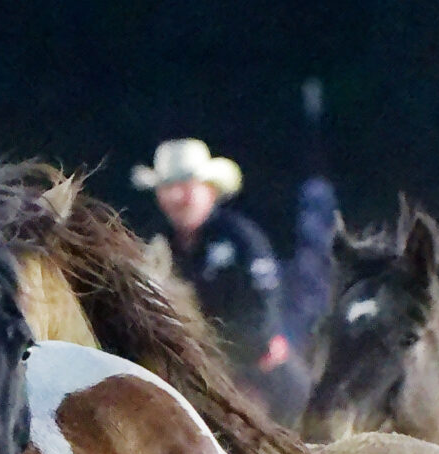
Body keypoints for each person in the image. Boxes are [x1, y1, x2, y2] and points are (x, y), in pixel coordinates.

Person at [132, 137, 309, 420]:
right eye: (168, 187)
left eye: (186, 186)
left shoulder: (241, 238)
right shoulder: (154, 243)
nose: (177, 196)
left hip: (252, 372)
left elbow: (262, 314)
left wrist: (217, 357)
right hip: (186, 373)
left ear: (209, 190)